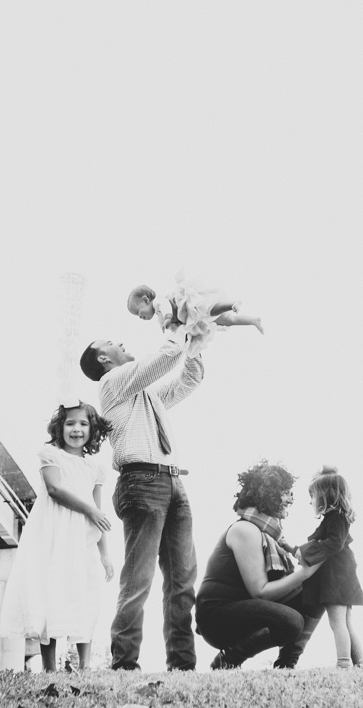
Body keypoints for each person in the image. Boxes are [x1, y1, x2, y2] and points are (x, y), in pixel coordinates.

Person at [80, 330, 209, 670]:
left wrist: (194, 346)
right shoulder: (112, 383)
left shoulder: (144, 394)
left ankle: (182, 663)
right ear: (103, 358)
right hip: (141, 480)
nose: (119, 342)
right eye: (109, 341)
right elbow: (165, 359)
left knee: (182, 579)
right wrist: (179, 325)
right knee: (139, 578)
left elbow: (189, 379)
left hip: (172, 480)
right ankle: (124, 662)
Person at [0, 403, 117, 671]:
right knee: (50, 594)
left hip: (81, 539)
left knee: (84, 594)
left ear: (92, 430)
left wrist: (105, 553)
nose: (77, 429)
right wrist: (88, 509)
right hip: (52, 535)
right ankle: (49, 667)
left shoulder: (95, 469)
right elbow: (54, 489)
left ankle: (85, 666)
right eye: (70, 423)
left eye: (84, 424)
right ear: (59, 427)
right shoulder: (50, 455)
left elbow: (98, 513)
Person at [194, 460, 325, 669]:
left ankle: (286, 664)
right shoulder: (245, 530)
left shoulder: (267, 534)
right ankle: (227, 661)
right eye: (286, 492)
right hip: (217, 618)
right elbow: (260, 592)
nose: (291, 499)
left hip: (246, 610)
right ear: (269, 494)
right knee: (292, 621)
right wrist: (304, 573)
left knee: (320, 586)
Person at [296, 465, 363, 668]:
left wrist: (307, 551)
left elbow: (333, 543)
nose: (311, 501)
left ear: (326, 496)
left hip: (336, 577)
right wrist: (297, 549)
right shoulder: (337, 517)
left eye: (313, 496)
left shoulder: (336, 518)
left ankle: (344, 664)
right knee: (345, 622)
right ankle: (361, 665)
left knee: (337, 622)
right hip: (343, 574)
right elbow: (321, 541)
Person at [127, 271, 263, 337]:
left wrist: (168, 318)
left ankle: (231, 304)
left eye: (139, 312)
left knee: (210, 310)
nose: (140, 317)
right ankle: (253, 320)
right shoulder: (159, 317)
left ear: (146, 300)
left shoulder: (158, 302)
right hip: (194, 318)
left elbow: (165, 307)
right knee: (228, 320)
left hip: (190, 307)